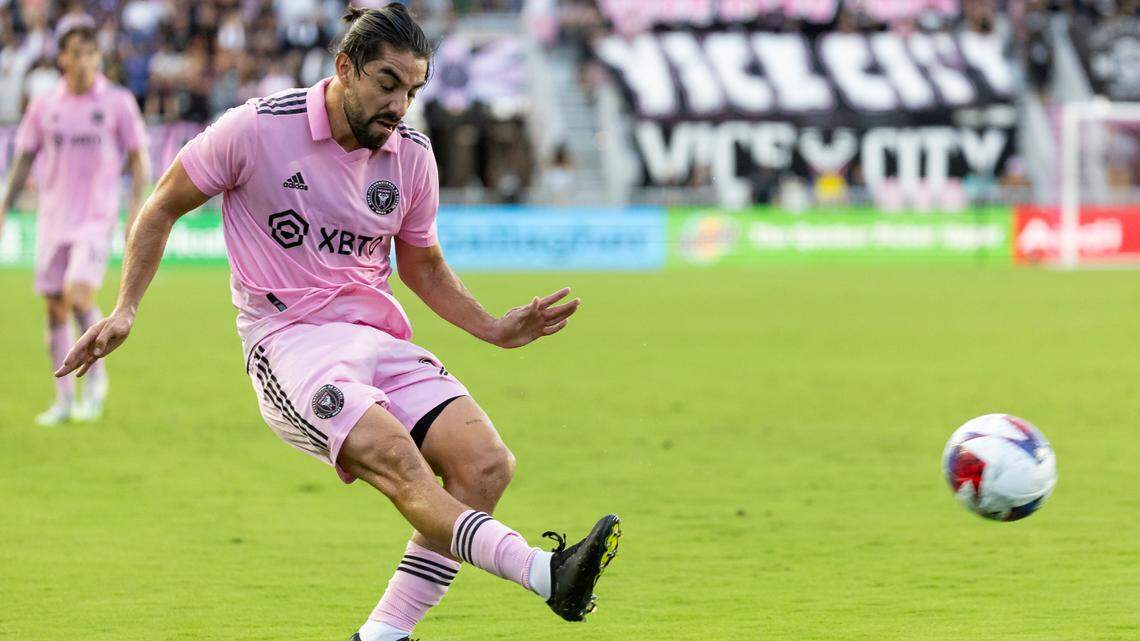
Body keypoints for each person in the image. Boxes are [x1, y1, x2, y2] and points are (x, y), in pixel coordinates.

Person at [55, 5, 621, 640]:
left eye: (412, 90)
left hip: (377, 338)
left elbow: (424, 265)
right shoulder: (256, 130)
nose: (400, 105)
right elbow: (160, 207)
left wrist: (492, 327)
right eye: (387, 84)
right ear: (344, 68)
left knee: (487, 465)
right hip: (291, 345)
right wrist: (126, 307)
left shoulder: (411, 156)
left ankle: (381, 637)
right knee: (401, 464)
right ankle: (547, 573)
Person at [0, 15, 150, 425]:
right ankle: (64, 399)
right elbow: (24, 158)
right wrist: (3, 206)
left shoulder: (116, 101)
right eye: (76, 52)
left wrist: (138, 207)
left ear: (98, 56)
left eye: (91, 52)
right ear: (62, 58)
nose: (85, 60)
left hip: (95, 220)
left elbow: (139, 160)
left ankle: (97, 380)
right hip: (53, 220)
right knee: (53, 310)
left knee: (79, 297)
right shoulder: (45, 105)